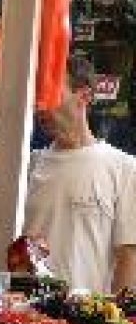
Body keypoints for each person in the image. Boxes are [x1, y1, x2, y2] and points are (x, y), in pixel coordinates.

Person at [24, 55, 136, 294]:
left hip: (86, 323)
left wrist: (115, 321)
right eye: (37, 96)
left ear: (84, 96)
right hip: (29, 318)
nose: (40, 105)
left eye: (51, 93)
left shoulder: (123, 168)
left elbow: (128, 256)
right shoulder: (29, 165)